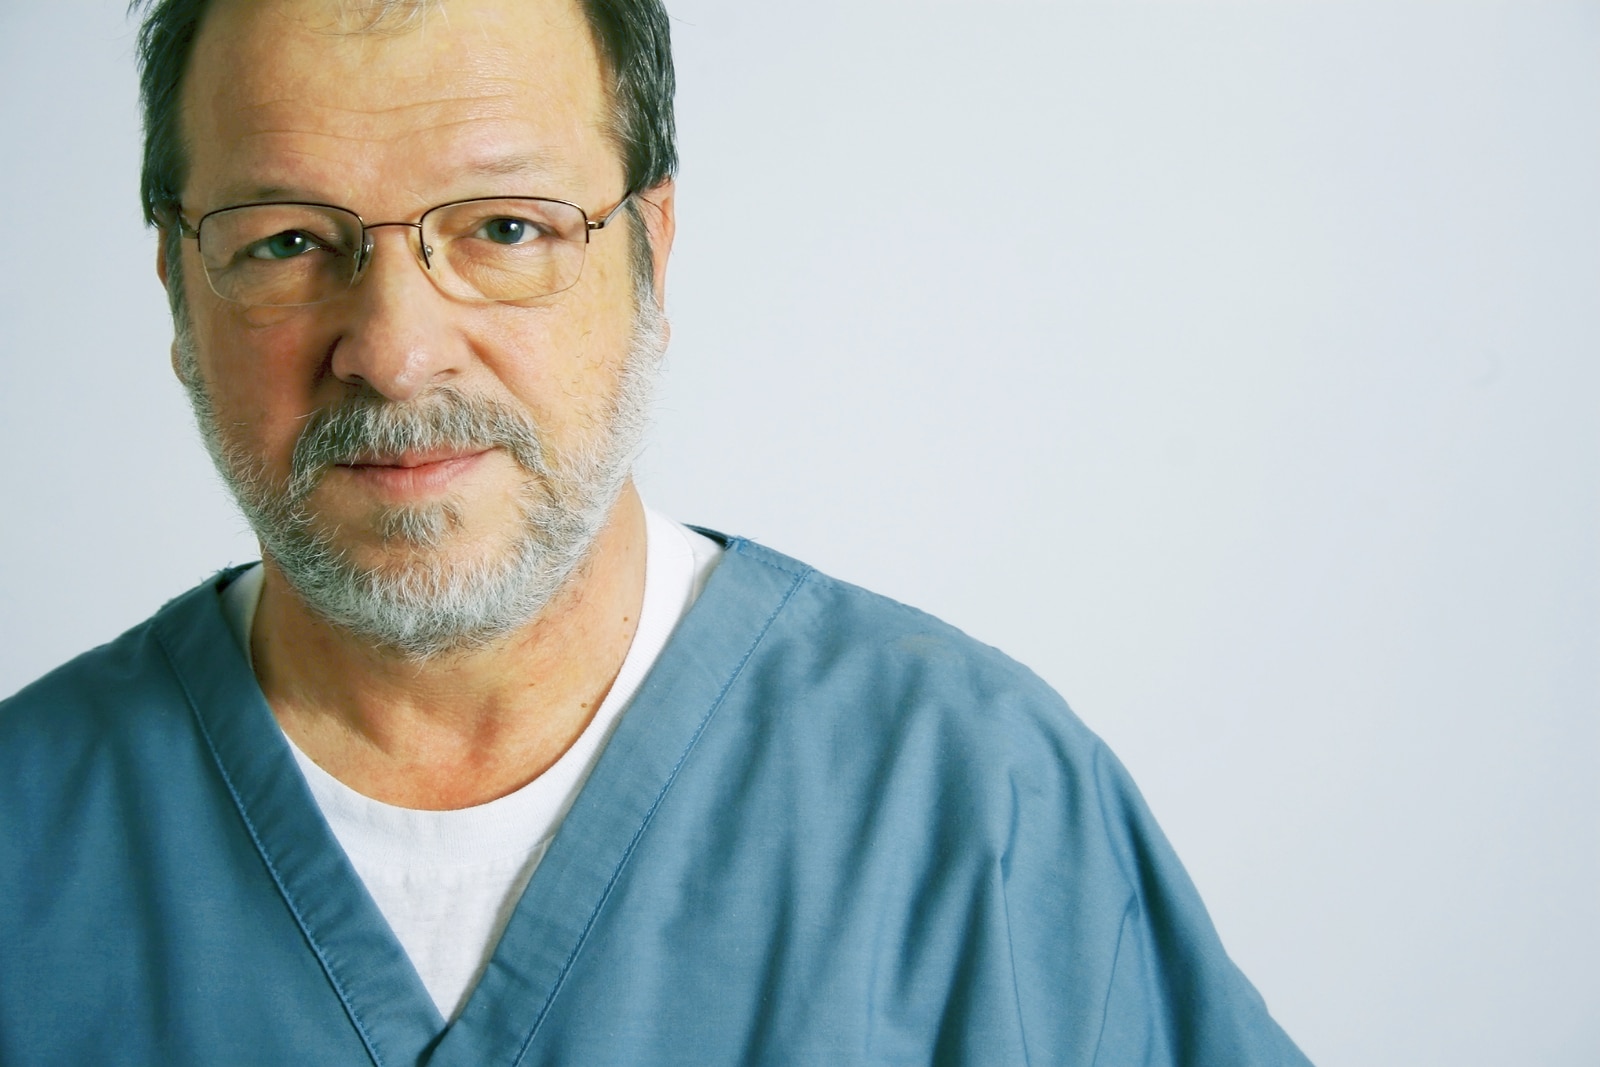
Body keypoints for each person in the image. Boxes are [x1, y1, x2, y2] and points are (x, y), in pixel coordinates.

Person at [0, 0, 1312, 1063]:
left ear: (652, 254)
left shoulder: (973, 809)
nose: (395, 353)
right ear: (178, 288)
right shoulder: (26, 845)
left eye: (505, 228)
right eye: (287, 241)